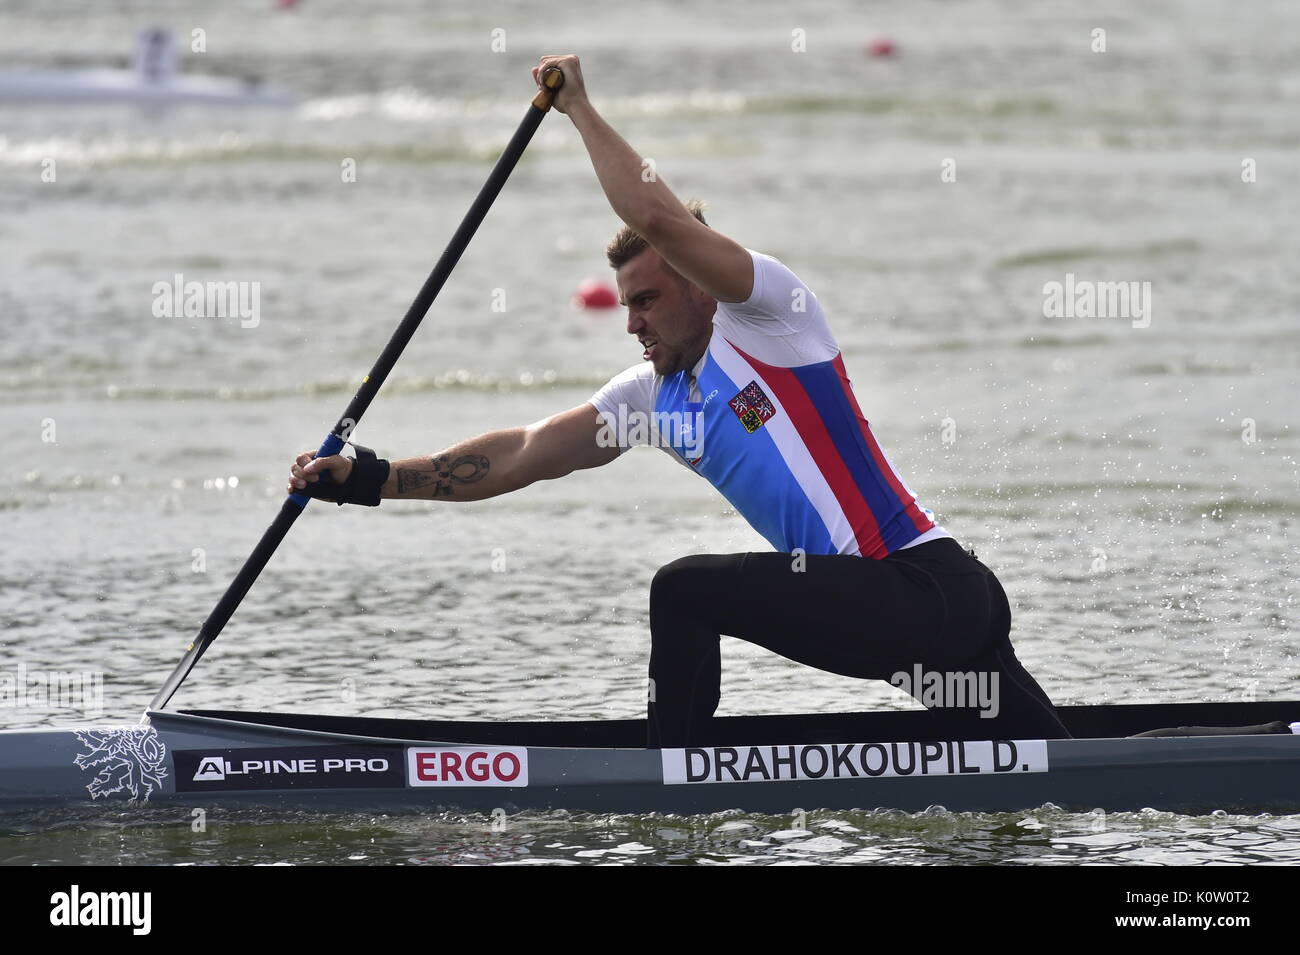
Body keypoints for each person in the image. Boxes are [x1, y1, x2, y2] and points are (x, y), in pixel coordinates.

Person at [288, 54, 1071, 748]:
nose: (632, 323)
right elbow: (525, 453)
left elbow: (656, 215)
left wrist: (578, 107)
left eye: (649, 300)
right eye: (624, 305)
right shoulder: (653, 399)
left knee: (683, 588)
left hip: (922, 592)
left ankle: (673, 778)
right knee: (1071, 774)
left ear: (700, 287)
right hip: (919, 625)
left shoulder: (770, 320)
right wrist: (369, 476)